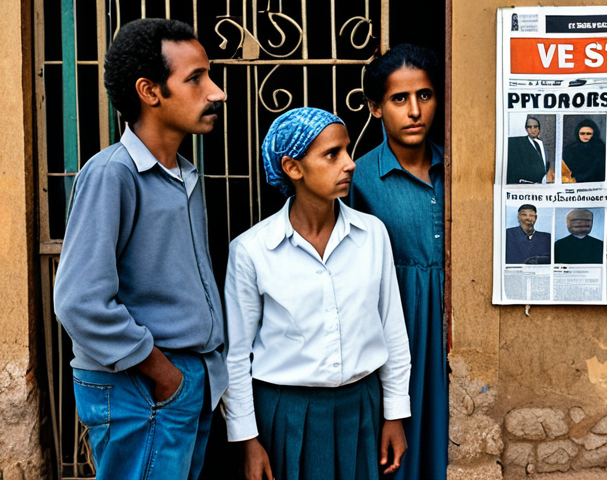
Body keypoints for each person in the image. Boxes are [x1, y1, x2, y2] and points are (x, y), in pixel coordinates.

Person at [53, 19, 227, 480]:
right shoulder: (113, 173)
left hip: (180, 383)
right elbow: (79, 301)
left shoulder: (185, 176)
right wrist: (164, 374)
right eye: (195, 79)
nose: (217, 92)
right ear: (150, 91)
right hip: (143, 387)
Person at [223, 108, 412, 480]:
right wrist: (247, 440)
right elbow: (235, 355)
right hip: (285, 413)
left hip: (361, 407)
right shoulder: (252, 250)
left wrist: (394, 414)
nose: (350, 164)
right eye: (332, 154)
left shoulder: (372, 235)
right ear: (293, 168)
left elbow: (393, 331)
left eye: (347, 150)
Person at [349, 44, 448, 480]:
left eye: (424, 96)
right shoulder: (360, 178)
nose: (414, 111)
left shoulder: (457, 168)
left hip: (453, 327)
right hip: (395, 328)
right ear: (375, 107)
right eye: (399, 99)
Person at [507, 116, 554, 184]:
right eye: (529, 127)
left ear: (539, 129)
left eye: (535, 127)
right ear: (526, 129)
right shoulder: (520, 144)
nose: (533, 130)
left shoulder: (541, 144)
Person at [562, 118, 606, 183]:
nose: (585, 136)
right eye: (582, 133)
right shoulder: (570, 150)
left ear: (594, 134)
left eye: (588, 134)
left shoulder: (600, 149)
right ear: (578, 134)